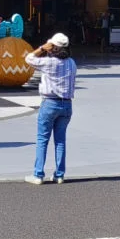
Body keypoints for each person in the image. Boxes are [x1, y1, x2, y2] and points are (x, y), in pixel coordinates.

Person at [24, 33, 77, 185]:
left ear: (53, 47)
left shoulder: (49, 62)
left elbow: (28, 58)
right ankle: (59, 174)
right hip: (66, 104)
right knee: (60, 141)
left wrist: (41, 48)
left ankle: (38, 174)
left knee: (42, 139)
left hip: (50, 103)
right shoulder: (72, 63)